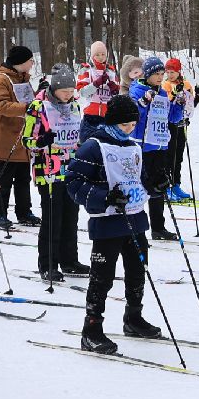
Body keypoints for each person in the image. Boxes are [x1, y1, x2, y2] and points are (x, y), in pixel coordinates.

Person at [66, 94, 163, 353]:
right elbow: (73, 183)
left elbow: (139, 180)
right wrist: (104, 197)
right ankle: (92, 329)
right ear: (112, 122)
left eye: (133, 125)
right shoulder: (93, 146)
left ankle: (133, 317)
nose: (129, 130)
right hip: (107, 223)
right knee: (102, 278)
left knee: (137, 270)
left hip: (135, 219)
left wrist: (154, 186)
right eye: (124, 126)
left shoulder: (133, 146)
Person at [23, 65, 87, 283]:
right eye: (64, 90)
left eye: (72, 90)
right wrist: (41, 141)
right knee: (52, 218)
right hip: (48, 170)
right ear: (55, 88)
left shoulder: (75, 106)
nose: (69, 94)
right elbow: (27, 139)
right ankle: (48, 263)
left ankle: (70, 259)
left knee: (71, 216)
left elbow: (78, 133)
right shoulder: (38, 106)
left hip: (70, 169)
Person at [0, 45, 40, 231]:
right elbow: (0, 105)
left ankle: (24, 211)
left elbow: (30, 102)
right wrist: (26, 108)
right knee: (3, 178)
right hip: (6, 136)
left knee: (23, 178)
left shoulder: (23, 78)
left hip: (23, 136)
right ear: (20, 62)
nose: (32, 63)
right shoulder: (2, 79)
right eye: (29, 60)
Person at [128, 56, 178, 241]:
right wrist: (143, 101)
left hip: (159, 144)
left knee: (159, 186)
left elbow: (172, 117)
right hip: (142, 146)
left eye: (161, 73)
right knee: (142, 186)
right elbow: (132, 114)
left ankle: (158, 227)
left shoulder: (163, 93)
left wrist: (178, 105)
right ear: (147, 74)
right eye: (156, 74)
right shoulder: (137, 90)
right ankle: (136, 226)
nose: (159, 77)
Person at [163, 57, 198, 203]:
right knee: (169, 156)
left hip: (182, 124)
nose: (170, 75)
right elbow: (166, 103)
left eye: (173, 72)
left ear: (179, 72)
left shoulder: (187, 84)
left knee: (179, 156)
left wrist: (198, 97)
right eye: (168, 72)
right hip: (170, 125)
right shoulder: (165, 85)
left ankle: (176, 184)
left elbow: (190, 103)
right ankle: (167, 186)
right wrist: (174, 94)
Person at [77, 40, 121, 129]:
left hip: (108, 116)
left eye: (103, 54)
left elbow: (117, 94)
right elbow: (82, 92)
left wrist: (115, 89)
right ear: (92, 56)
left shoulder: (111, 71)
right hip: (91, 115)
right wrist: (96, 84)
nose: (100, 57)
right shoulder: (86, 70)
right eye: (97, 55)